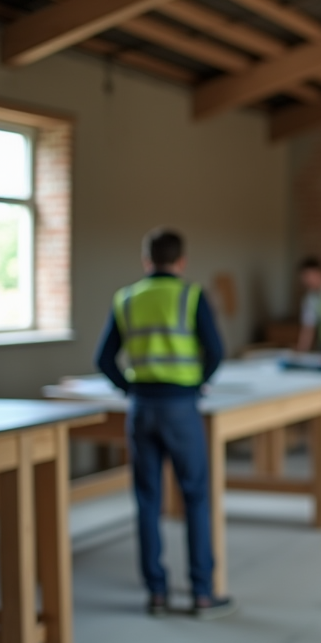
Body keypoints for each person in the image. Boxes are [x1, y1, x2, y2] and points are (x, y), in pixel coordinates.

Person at [95, 228, 235, 620]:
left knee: (146, 500)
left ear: (146, 260)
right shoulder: (190, 295)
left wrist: (129, 388)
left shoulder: (125, 298)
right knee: (194, 497)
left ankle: (156, 592)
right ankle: (202, 594)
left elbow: (104, 359)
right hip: (180, 407)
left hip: (141, 407)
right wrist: (197, 383)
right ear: (181, 261)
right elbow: (217, 350)